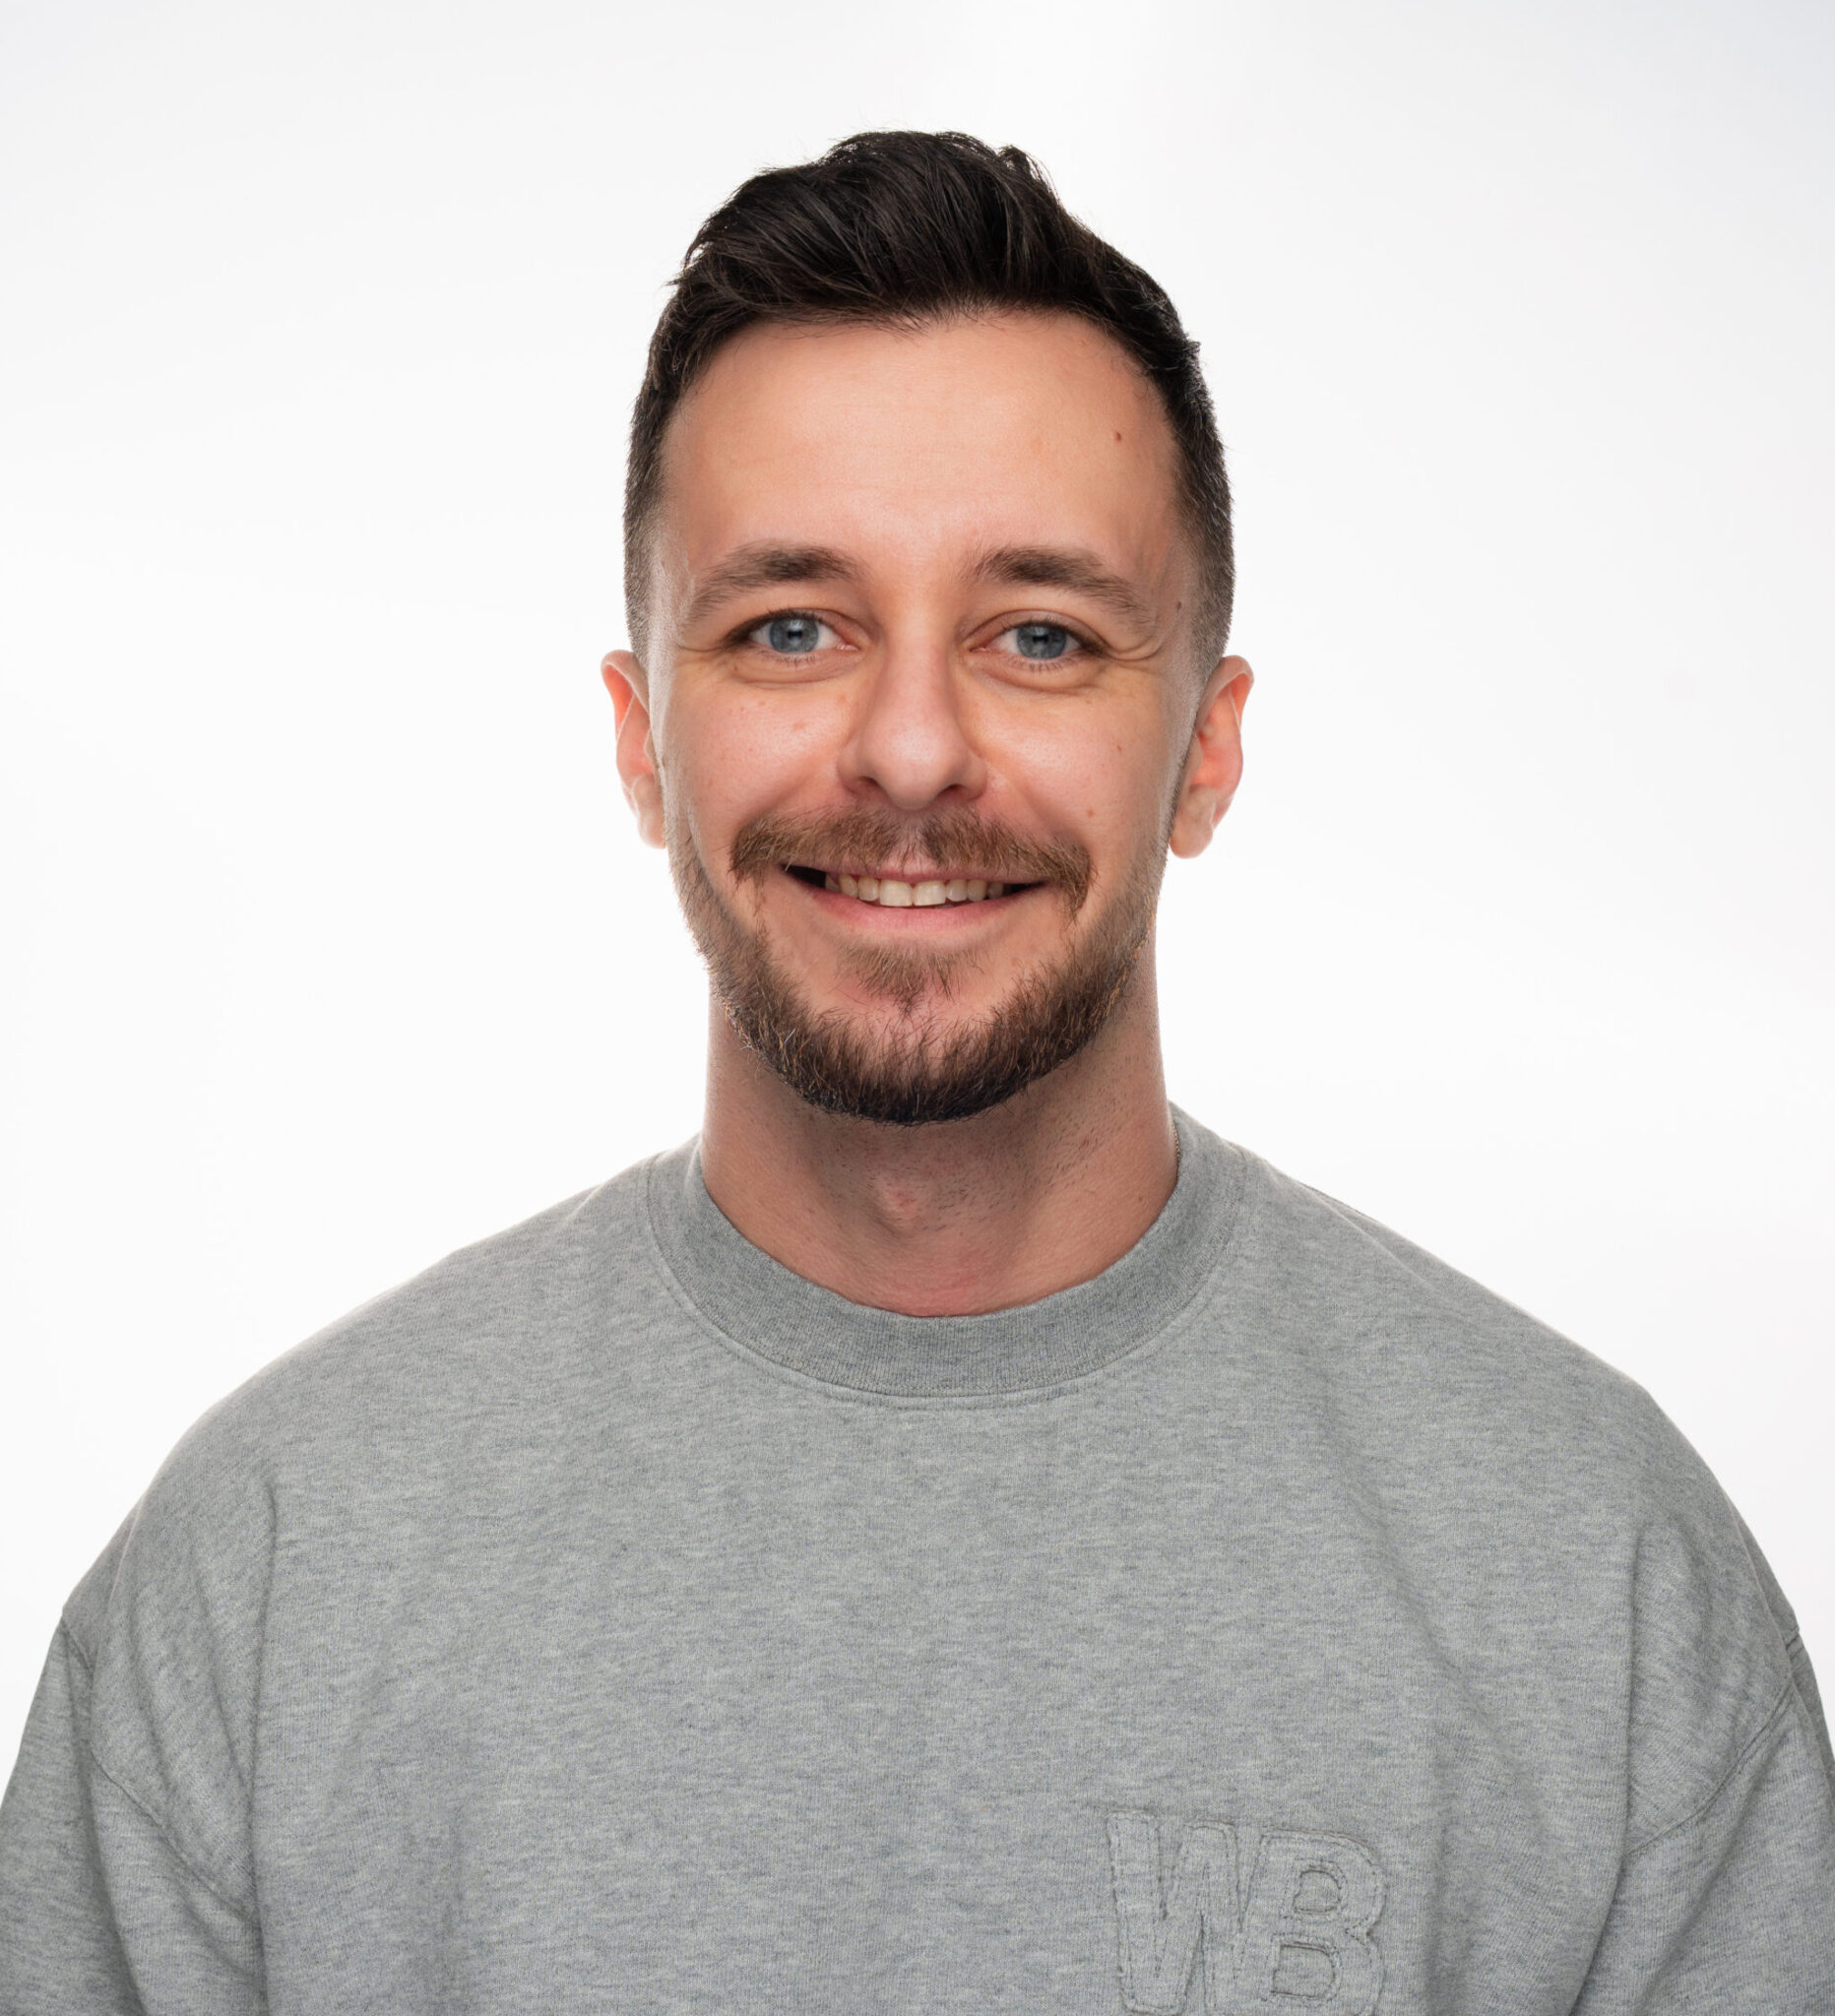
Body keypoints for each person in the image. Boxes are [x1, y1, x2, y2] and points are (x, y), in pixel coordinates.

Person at [1, 129, 1829, 2016]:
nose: (909, 750)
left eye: (1039, 635)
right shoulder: (270, 1575)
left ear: (1206, 749)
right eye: (791, 628)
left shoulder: (1590, 1579)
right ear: (642, 740)